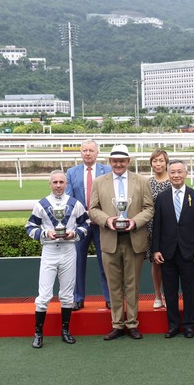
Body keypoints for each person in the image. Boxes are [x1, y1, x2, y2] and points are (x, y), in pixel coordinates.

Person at [88, 144, 154, 341]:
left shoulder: (141, 181)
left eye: (122, 161)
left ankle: (132, 324)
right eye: (115, 161)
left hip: (134, 238)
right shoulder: (100, 182)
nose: (118, 164)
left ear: (128, 162)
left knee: (132, 285)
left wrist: (135, 222)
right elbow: (92, 209)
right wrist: (107, 220)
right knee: (114, 285)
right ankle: (117, 324)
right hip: (110, 239)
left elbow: (149, 208)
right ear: (110, 162)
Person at [26, 170, 89, 348]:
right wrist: (45, 233)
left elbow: (86, 224)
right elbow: (29, 227)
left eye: (62, 182)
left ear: (66, 184)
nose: (59, 185)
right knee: (44, 295)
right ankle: (38, 333)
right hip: (49, 251)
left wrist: (75, 233)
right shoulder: (41, 204)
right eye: (55, 182)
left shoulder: (75, 203)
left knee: (67, 295)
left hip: (69, 250)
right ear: (50, 184)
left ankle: (65, 331)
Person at [151, 159, 194, 339]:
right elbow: (156, 226)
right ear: (168, 173)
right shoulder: (162, 197)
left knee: (189, 291)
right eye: (172, 172)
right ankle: (173, 325)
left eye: (179, 172)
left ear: (186, 173)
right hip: (167, 253)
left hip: (189, 252)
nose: (176, 175)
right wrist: (156, 250)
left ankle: (189, 326)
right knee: (170, 292)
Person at [65, 139, 111, 311]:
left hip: (101, 224)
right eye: (84, 150)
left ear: (97, 152)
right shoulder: (71, 172)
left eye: (91, 150)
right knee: (78, 262)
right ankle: (78, 298)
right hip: (80, 225)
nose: (88, 153)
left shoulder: (107, 170)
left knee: (106, 262)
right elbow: (69, 199)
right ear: (80, 153)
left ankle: (109, 298)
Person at [146, 149, 171, 309]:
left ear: (166, 162)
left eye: (161, 160)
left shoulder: (174, 180)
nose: (158, 164)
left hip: (171, 229)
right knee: (156, 263)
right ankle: (157, 295)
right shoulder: (147, 183)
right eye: (155, 161)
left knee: (170, 264)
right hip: (152, 228)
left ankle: (169, 294)